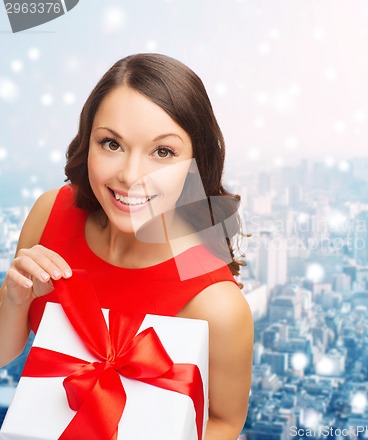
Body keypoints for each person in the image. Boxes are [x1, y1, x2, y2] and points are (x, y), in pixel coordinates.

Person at [0, 53, 253, 439]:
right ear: (88, 141)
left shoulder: (216, 303)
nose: (130, 175)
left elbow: (224, 421)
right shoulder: (51, 212)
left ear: (194, 165)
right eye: (111, 143)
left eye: (163, 152)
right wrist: (14, 299)